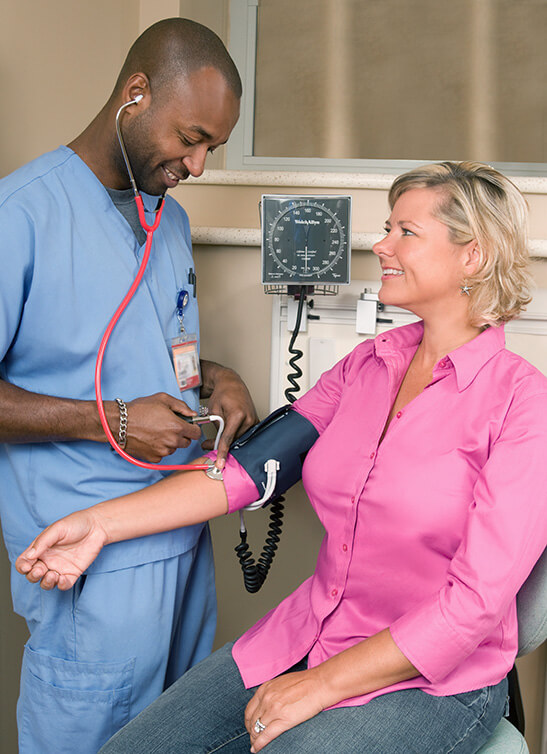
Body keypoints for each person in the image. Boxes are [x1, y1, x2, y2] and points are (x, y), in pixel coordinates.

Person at [17, 162, 547, 754]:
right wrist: (100, 524)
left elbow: (474, 605)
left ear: (471, 256)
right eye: (386, 228)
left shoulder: (523, 403)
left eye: (405, 232)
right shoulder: (369, 364)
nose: (381, 244)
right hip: (308, 633)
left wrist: (318, 686)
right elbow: (246, 472)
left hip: (434, 680)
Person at [1, 17, 259, 754]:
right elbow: (113, 397)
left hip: (181, 535)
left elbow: (140, 349)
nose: (200, 163)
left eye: (212, 146)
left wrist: (220, 378)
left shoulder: (166, 221)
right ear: (136, 94)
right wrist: (111, 419)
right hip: (90, 559)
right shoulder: (20, 216)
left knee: (173, 738)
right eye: (191, 137)